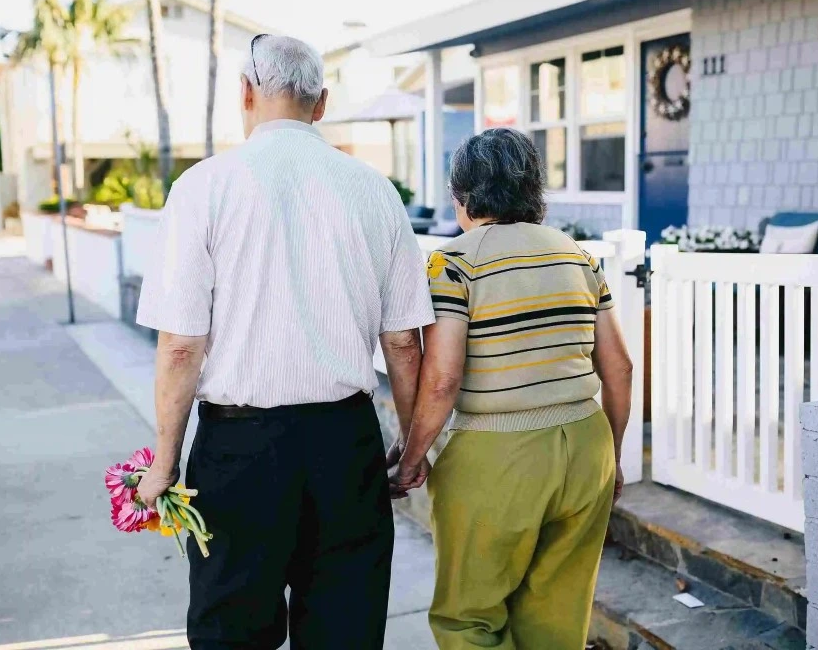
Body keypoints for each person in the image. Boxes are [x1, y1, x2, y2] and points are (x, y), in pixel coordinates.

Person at [135, 34, 435, 650]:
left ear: (246, 93)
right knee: (344, 631)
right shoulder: (374, 190)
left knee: (232, 633)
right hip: (345, 447)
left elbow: (181, 346)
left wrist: (164, 461)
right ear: (321, 104)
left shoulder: (203, 187)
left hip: (238, 451)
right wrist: (411, 448)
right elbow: (404, 343)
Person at [392, 128, 634, 649]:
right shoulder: (578, 256)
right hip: (587, 444)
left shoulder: (453, 262)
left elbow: (442, 379)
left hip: (498, 454)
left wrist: (412, 456)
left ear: (463, 197)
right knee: (557, 619)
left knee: (468, 621)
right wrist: (613, 455)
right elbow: (620, 368)